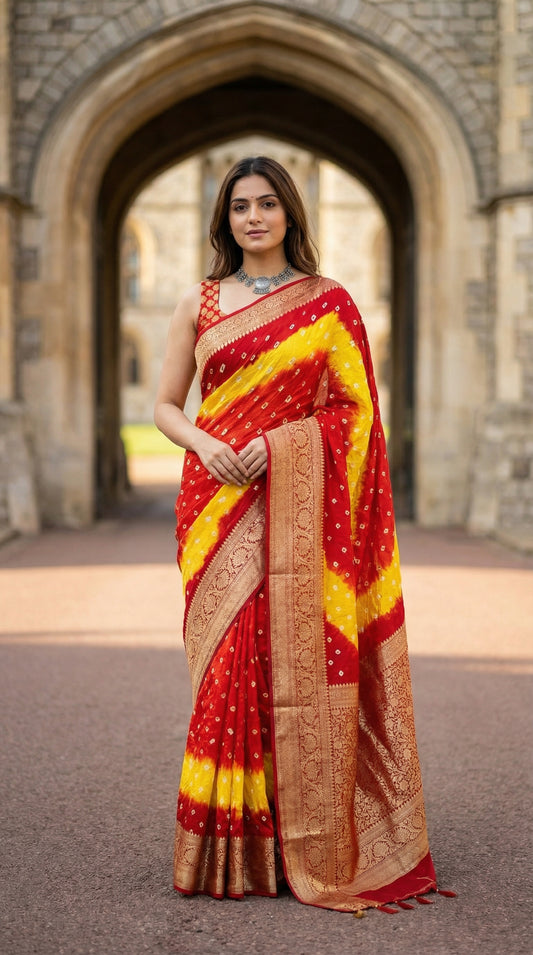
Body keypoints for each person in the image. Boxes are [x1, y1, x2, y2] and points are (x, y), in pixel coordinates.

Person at [154, 156, 439, 913]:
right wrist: (205, 444)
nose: (253, 217)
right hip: (215, 500)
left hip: (294, 503)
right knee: (227, 664)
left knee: (287, 659)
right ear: (224, 218)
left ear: (290, 213)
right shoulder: (199, 302)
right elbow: (165, 405)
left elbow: (355, 413)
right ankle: (226, 844)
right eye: (239, 206)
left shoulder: (327, 302)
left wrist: (280, 445)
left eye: (267, 204)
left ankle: (295, 839)